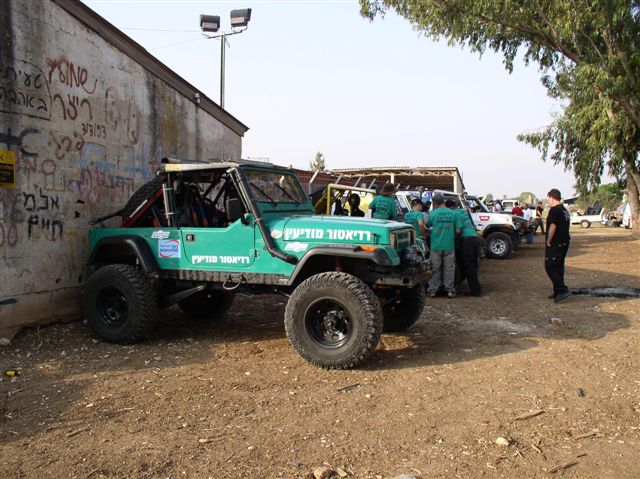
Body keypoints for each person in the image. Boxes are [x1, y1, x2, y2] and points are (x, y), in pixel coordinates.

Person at [427, 193, 460, 298]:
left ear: (435, 203)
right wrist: (452, 236)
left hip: (436, 245)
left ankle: (433, 290)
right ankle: (450, 290)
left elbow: (428, 225)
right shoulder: (453, 213)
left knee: (435, 268)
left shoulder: (433, 213)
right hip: (449, 245)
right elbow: (458, 230)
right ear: (443, 200)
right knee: (449, 268)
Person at [447, 200, 482, 296]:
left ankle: (475, 291)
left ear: (449, 208)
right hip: (475, 238)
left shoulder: (454, 214)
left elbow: (458, 230)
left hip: (467, 240)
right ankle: (476, 287)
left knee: (469, 266)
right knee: (473, 265)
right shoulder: (462, 211)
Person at [545, 189, 571, 303]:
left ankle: (562, 289)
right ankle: (557, 291)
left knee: (550, 266)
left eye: (548, 198)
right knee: (558, 266)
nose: (548, 201)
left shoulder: (555, 210)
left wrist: (548, 240)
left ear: (552, 197)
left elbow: (553, 226)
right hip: (564, 241)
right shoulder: (564, 210)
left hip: (556, 242)